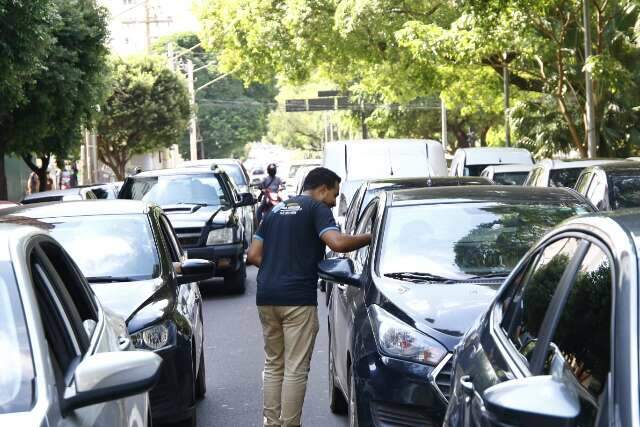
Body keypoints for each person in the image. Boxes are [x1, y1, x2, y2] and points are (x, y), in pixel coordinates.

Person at [247, 167, 371, 427]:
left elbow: (254, 255)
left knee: (273, 364)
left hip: (266, 296)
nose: (335, 202)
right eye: (334, 194)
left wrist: (278, 268)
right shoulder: (317, 209)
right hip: (297, 300)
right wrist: (372, 236)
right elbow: (336, 243)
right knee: (295, 367)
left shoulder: (276, 211)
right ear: (322, 188)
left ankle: (271, 423)